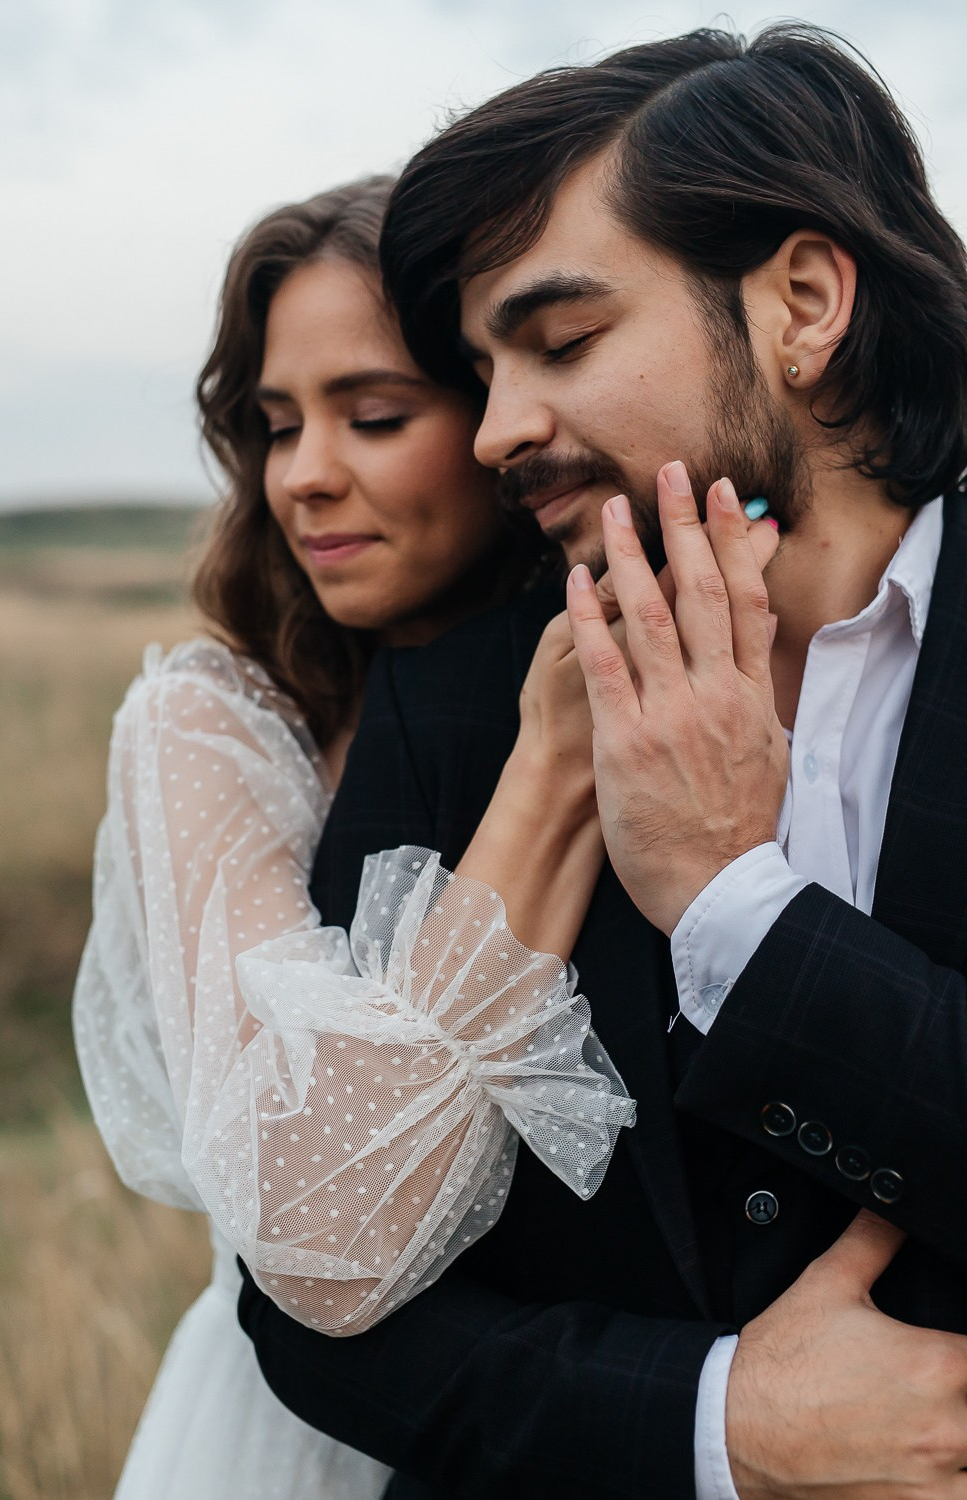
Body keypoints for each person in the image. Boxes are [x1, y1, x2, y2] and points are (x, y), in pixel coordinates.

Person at [237, 24, 967, 1500]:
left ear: (805, 303)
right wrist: (711, 1425)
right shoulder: (454, 709)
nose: (500, 430)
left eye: (561, 342)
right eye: (480, 368)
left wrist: (728, 903)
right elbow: (309, 1305)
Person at [73, 176, 640, 1500]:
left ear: (502, 420)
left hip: (576, 1420)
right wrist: (549, 774)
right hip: (294, 1428)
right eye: (277, 426)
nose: (307, 475)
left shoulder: (630, 672)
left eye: (374, 416)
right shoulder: (210, 726)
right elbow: (325, 1230)